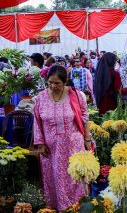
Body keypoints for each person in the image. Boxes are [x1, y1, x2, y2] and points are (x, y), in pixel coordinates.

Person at [33, 65, 91, 211]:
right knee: (55, 181)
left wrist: (87, 139)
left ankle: (79, 208)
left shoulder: (77, 95)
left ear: (65, 82)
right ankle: (57, 209)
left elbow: (85, 118)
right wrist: (40, 143)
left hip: (73, 147)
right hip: (51, 150)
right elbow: (36, 121)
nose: (53, 86)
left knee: (75, 180)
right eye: (50, 83)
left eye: (57, 83)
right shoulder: (40, 98)